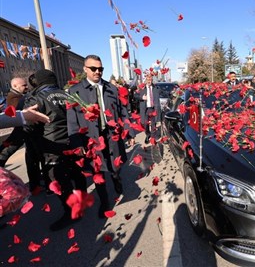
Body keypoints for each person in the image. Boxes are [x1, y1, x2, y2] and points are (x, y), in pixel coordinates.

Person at [67, 55, 136, 218]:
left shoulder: (111, 89)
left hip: (112, 136)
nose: (98, 72)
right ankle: (105, 202)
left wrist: (129, 132)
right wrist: (77, 143)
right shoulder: (75, 91)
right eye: (93, 69)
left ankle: (117, 178)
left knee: (114, 167)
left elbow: (122, 112)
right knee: (97, 172)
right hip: (91, 139)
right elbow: (72, 121)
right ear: (85, 69)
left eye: (100, 69)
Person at [23, 69, 87, 231]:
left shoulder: (36, 98)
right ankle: (81, 202)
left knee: (57, 179)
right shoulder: (68, 94)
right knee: (77, 173)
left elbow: (29, 124)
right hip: (72, 140)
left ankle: (72, 212)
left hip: (52, 145)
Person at [136, 74, 161, 144]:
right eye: (148, 80)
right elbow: (135, 95)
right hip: (145, 110)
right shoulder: (142, 88)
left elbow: (162, 92)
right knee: (145, 124)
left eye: (150, 80)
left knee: (153, 124)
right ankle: (148, 134)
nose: (149, 81)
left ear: (152, 80)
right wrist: (142, 98)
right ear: (145, 80)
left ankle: (152, 137)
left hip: (153, 109)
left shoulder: (155, 88)